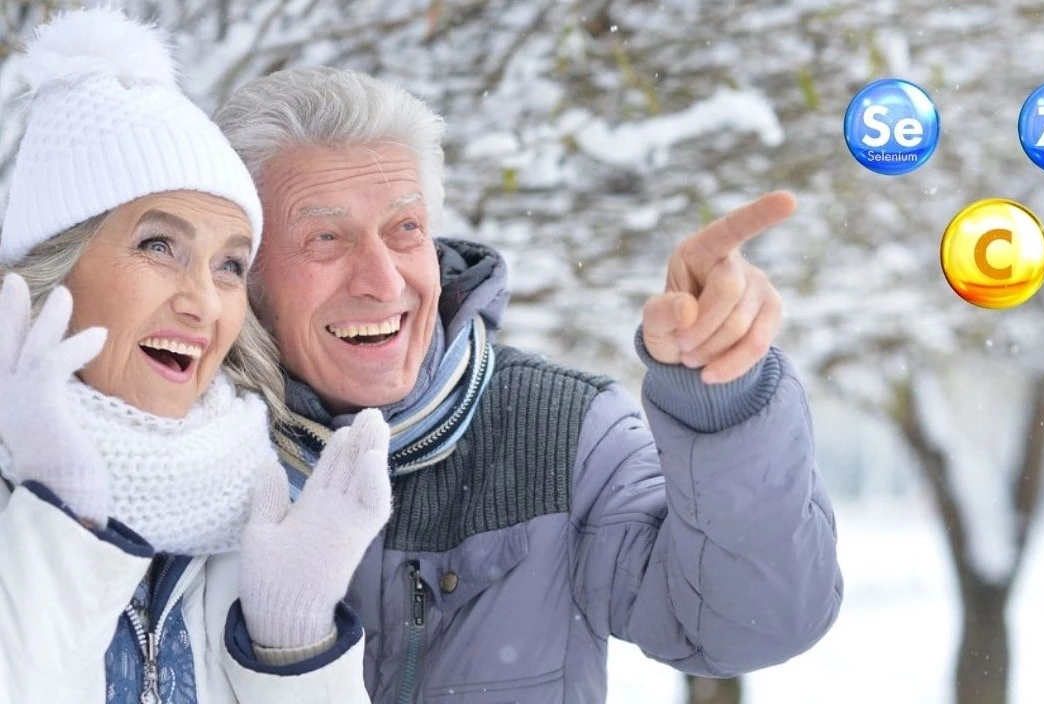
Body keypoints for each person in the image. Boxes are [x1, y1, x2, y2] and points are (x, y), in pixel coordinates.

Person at [214, 65, 843, 703]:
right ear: (245, 270)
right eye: (325, 237)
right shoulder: (184, 452)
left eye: (406, 230)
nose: (382, 280)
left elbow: (752, 625)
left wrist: (721, 396)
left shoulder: (562, 432)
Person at [0, 9, 390, 703]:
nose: (205, 303)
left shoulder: (248, 509)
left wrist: (288, 647)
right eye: (158, 246)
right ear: (50, 269)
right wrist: (58, 525)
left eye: (230, 265)